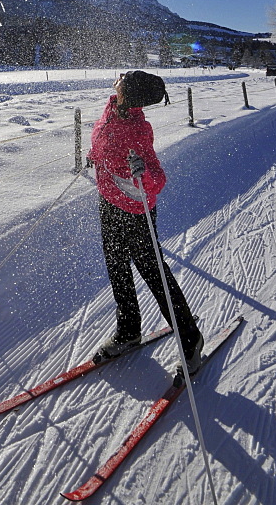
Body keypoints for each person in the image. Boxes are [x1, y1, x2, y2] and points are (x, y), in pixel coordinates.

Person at [87, 70, 204, 372]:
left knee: (154, 275)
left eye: (123, 80)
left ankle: (191, 339)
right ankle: (128, 331)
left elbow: (157, 179)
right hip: (109, 203)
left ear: (130, 92)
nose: (118, 80)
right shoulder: (111, 109)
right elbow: (103, 142)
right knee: (117, 269)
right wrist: (94, 156)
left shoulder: (138, 129)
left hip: (136, 212)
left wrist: (144, 174)